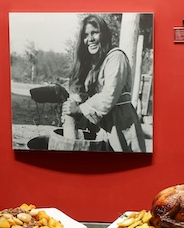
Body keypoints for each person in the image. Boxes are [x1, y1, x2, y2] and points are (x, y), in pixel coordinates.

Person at [61, 15, 146, 152]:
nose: (90, 39)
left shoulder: (116, 57)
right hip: (101, 125)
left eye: (94, 33)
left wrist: (79, 109)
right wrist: (72, 105)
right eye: (86, 35)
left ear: (104, 34)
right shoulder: (94, 63)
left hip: (120, 123)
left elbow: (108, 96)